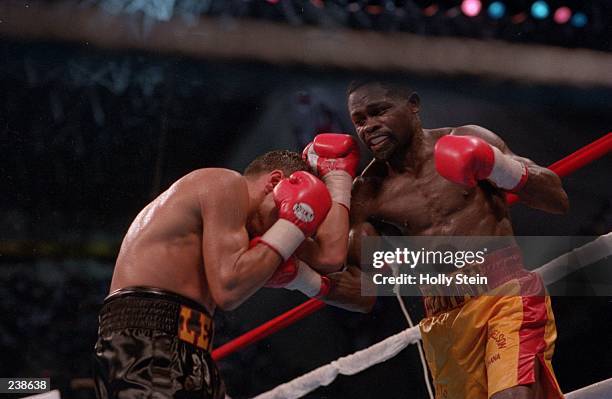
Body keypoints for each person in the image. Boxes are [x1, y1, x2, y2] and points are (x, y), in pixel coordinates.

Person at [345, 80, 569, 399]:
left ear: (413, 105)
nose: (369, 126)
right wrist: (302, 274)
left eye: (379, 111)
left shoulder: (468, 138)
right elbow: (360, 290)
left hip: (504, 293)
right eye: (359, 120)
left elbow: (557, 200)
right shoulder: (366, 193)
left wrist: (500, 167)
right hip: (442, 318)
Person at [93, 147, 368, 399]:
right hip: (146, 344)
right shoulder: (224, 183)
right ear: (275, 183)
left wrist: (338, 181)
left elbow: (330, 260)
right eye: (291, 210)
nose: (283, 231)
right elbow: (229, 290)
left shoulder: (241, 239)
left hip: (184, 348)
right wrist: (294, 222)